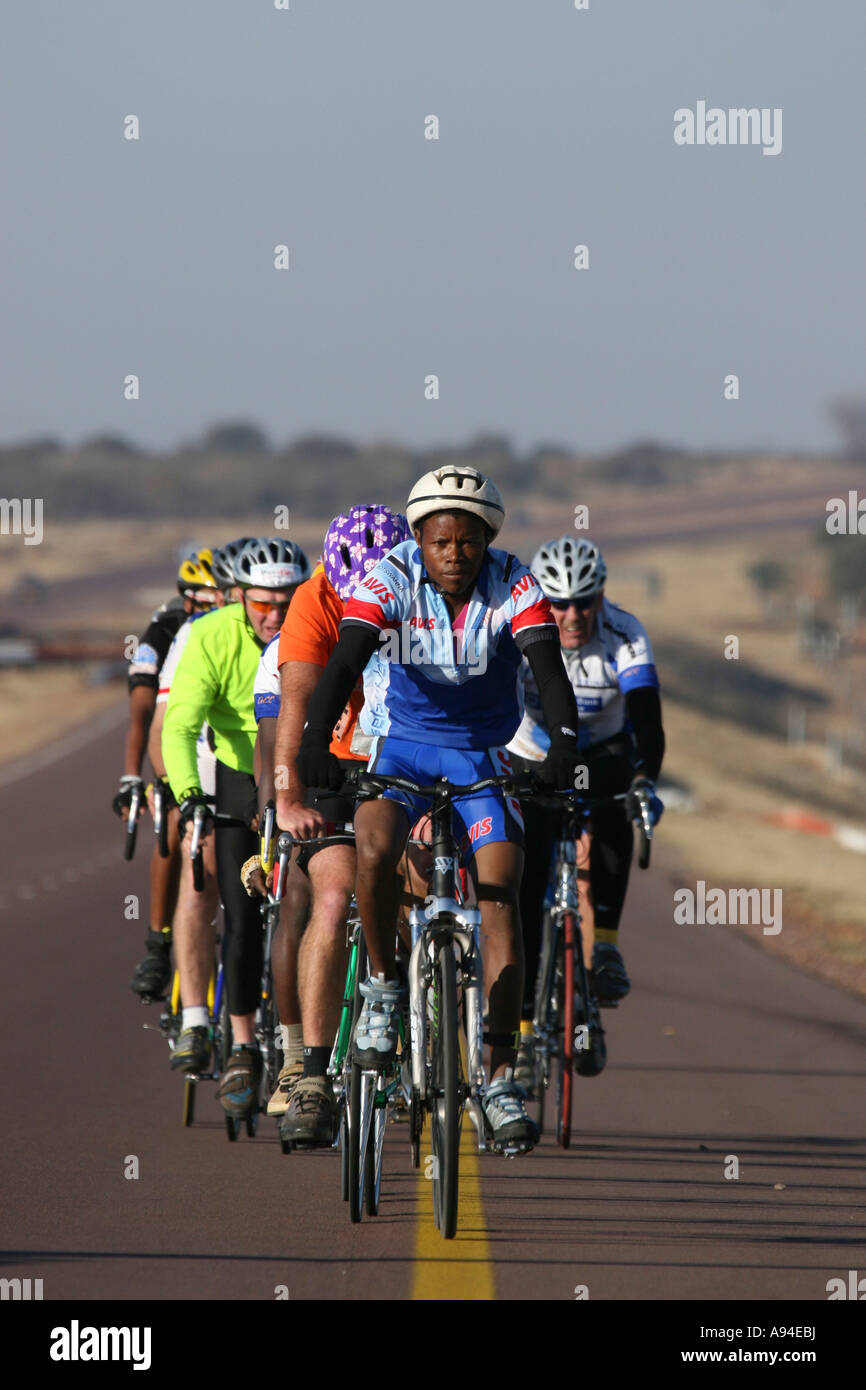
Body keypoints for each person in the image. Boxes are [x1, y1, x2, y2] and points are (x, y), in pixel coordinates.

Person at [295, 468, 580, 1152]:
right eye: (441, 541)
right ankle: (387, 988)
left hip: (481, 752)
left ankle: (502, 1074)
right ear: (419, 540)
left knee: (501, 888)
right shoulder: (390, 576)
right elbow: (343, 664)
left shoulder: (514, 582)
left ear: (488, 542)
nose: (455, 554)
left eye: (469, 541)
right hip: (404, 749)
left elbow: (549, 675)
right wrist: (313, 744)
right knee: (375, 851)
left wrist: (564, 749)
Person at [268, 506, 411, 1145]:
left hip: (408, 755)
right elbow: (296, 707)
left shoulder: (424, 590)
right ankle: (314, 1077)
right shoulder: (313, 597)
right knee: (331, 897)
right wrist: (286, 800)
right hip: (333, 761)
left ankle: (421, 1039)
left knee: (415, 893)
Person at [508, 536, 665, 1081]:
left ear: (600, 596)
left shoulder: (624, 632)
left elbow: (647, 720)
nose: (572, 614)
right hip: (533, 753)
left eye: (584, 600)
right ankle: (524, 1035)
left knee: (621, 799)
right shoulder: (519, 627)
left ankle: (606, 946)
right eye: (559, 602)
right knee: (525, 887)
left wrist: (646, 778)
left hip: (601, 752)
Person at [162, 537, 310, 1113]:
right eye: (261, 604)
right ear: (237, 597)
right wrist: (189, 796)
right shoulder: (210, 636)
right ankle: (244, 1047)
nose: (274, 616)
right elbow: (179, 728)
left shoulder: (316, 625)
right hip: (235, 773)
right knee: (243, 916)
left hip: (299, 766)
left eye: (285, 602)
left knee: (308, 902)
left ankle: (310, 1050)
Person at [115, 549, 222, 998]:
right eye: (203, 602)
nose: (212, 609)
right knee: (173, 817)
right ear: (187, 601)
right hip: (176, 737)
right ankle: (158, 945)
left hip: (219, 743)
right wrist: (133, 777)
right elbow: (143, 714)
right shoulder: (165, 627)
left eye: (220, 600)